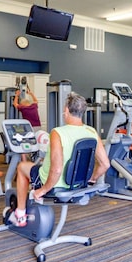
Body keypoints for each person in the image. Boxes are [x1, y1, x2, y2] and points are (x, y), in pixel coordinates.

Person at [9, 92, 110, 227]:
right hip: (78, 184)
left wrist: (43, 190)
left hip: (55, 185)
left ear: (67, 111)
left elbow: (57, 169)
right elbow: (105, 164)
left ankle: (20, 215)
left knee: (22, 166)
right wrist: (91, 179)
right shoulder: (91, 131)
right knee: (33, 165)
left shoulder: (58, 132)